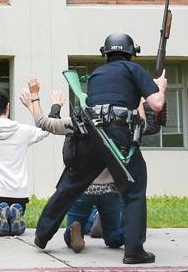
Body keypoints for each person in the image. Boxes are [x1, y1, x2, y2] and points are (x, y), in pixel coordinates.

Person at [33, 33, 167, 264]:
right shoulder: (133, 70)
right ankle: (134, 251)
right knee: (134, 190)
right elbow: (156, 104)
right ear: (131, 52)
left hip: (92, 133)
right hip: (119, 136)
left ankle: (42, 235)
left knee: (70, 185)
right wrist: (161, 87)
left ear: (106, 53)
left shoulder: (96, 74)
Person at [22, 77, 160, 254]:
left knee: (72, 224)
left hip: (81, 191)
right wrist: (143, 98)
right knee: (113, 237)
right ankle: (122, 230)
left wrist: (34, 95)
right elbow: (145, 125)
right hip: (110, 191)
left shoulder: (79, 122)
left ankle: (74, 231)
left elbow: (44, 123)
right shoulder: (124, 125)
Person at [0, 85, 49, 236]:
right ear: (8, 106)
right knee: (11, 214)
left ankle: (0, 219)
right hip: (18, 196)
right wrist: (31, 105)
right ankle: (13, 216)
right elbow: (46, 129)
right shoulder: (24, 130)